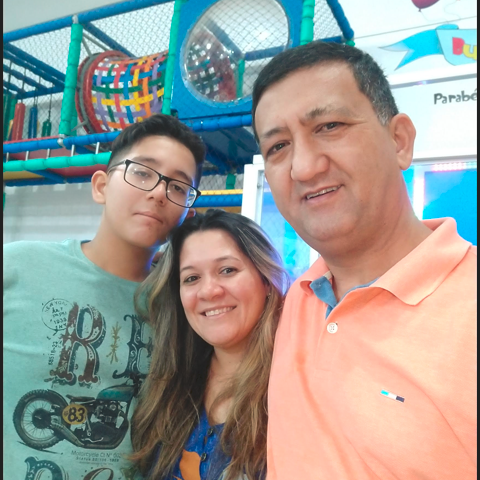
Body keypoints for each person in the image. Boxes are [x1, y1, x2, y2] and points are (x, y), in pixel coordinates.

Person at [251, 41, 476, 480]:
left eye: (329, 126)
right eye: (278, 146)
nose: (304, 167)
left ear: (399, 141)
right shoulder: (298, 300)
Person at [3, 113, 205, 480]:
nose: (159, 192)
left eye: (178, 187)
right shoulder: (16, 266)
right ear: (101, 186)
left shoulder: (186, 307)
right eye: (142, 172)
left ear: (187, 212)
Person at [129, 209, 289, 480]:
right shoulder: (168, 385)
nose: (209, 291)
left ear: (266, 280)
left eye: (227, 270)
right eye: (191, 278)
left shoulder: (297, 384)